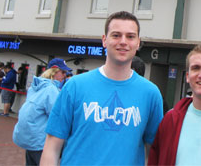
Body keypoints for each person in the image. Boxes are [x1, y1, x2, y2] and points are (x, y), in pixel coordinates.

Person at [41, 11, 163, 166]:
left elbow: (153, 153)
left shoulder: (151, 94)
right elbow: (52, 147)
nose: (123, 41)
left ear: (138, 42)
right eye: (116, 35)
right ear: (104, 40)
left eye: (130, 36)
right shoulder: (75, 86)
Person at [13, 60, 71, 166]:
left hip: (30, 138)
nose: (64, 76)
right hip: (41, 141)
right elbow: (57, 117)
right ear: (54, 72)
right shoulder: (51, 90)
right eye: (63, 72)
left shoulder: (35, 86)